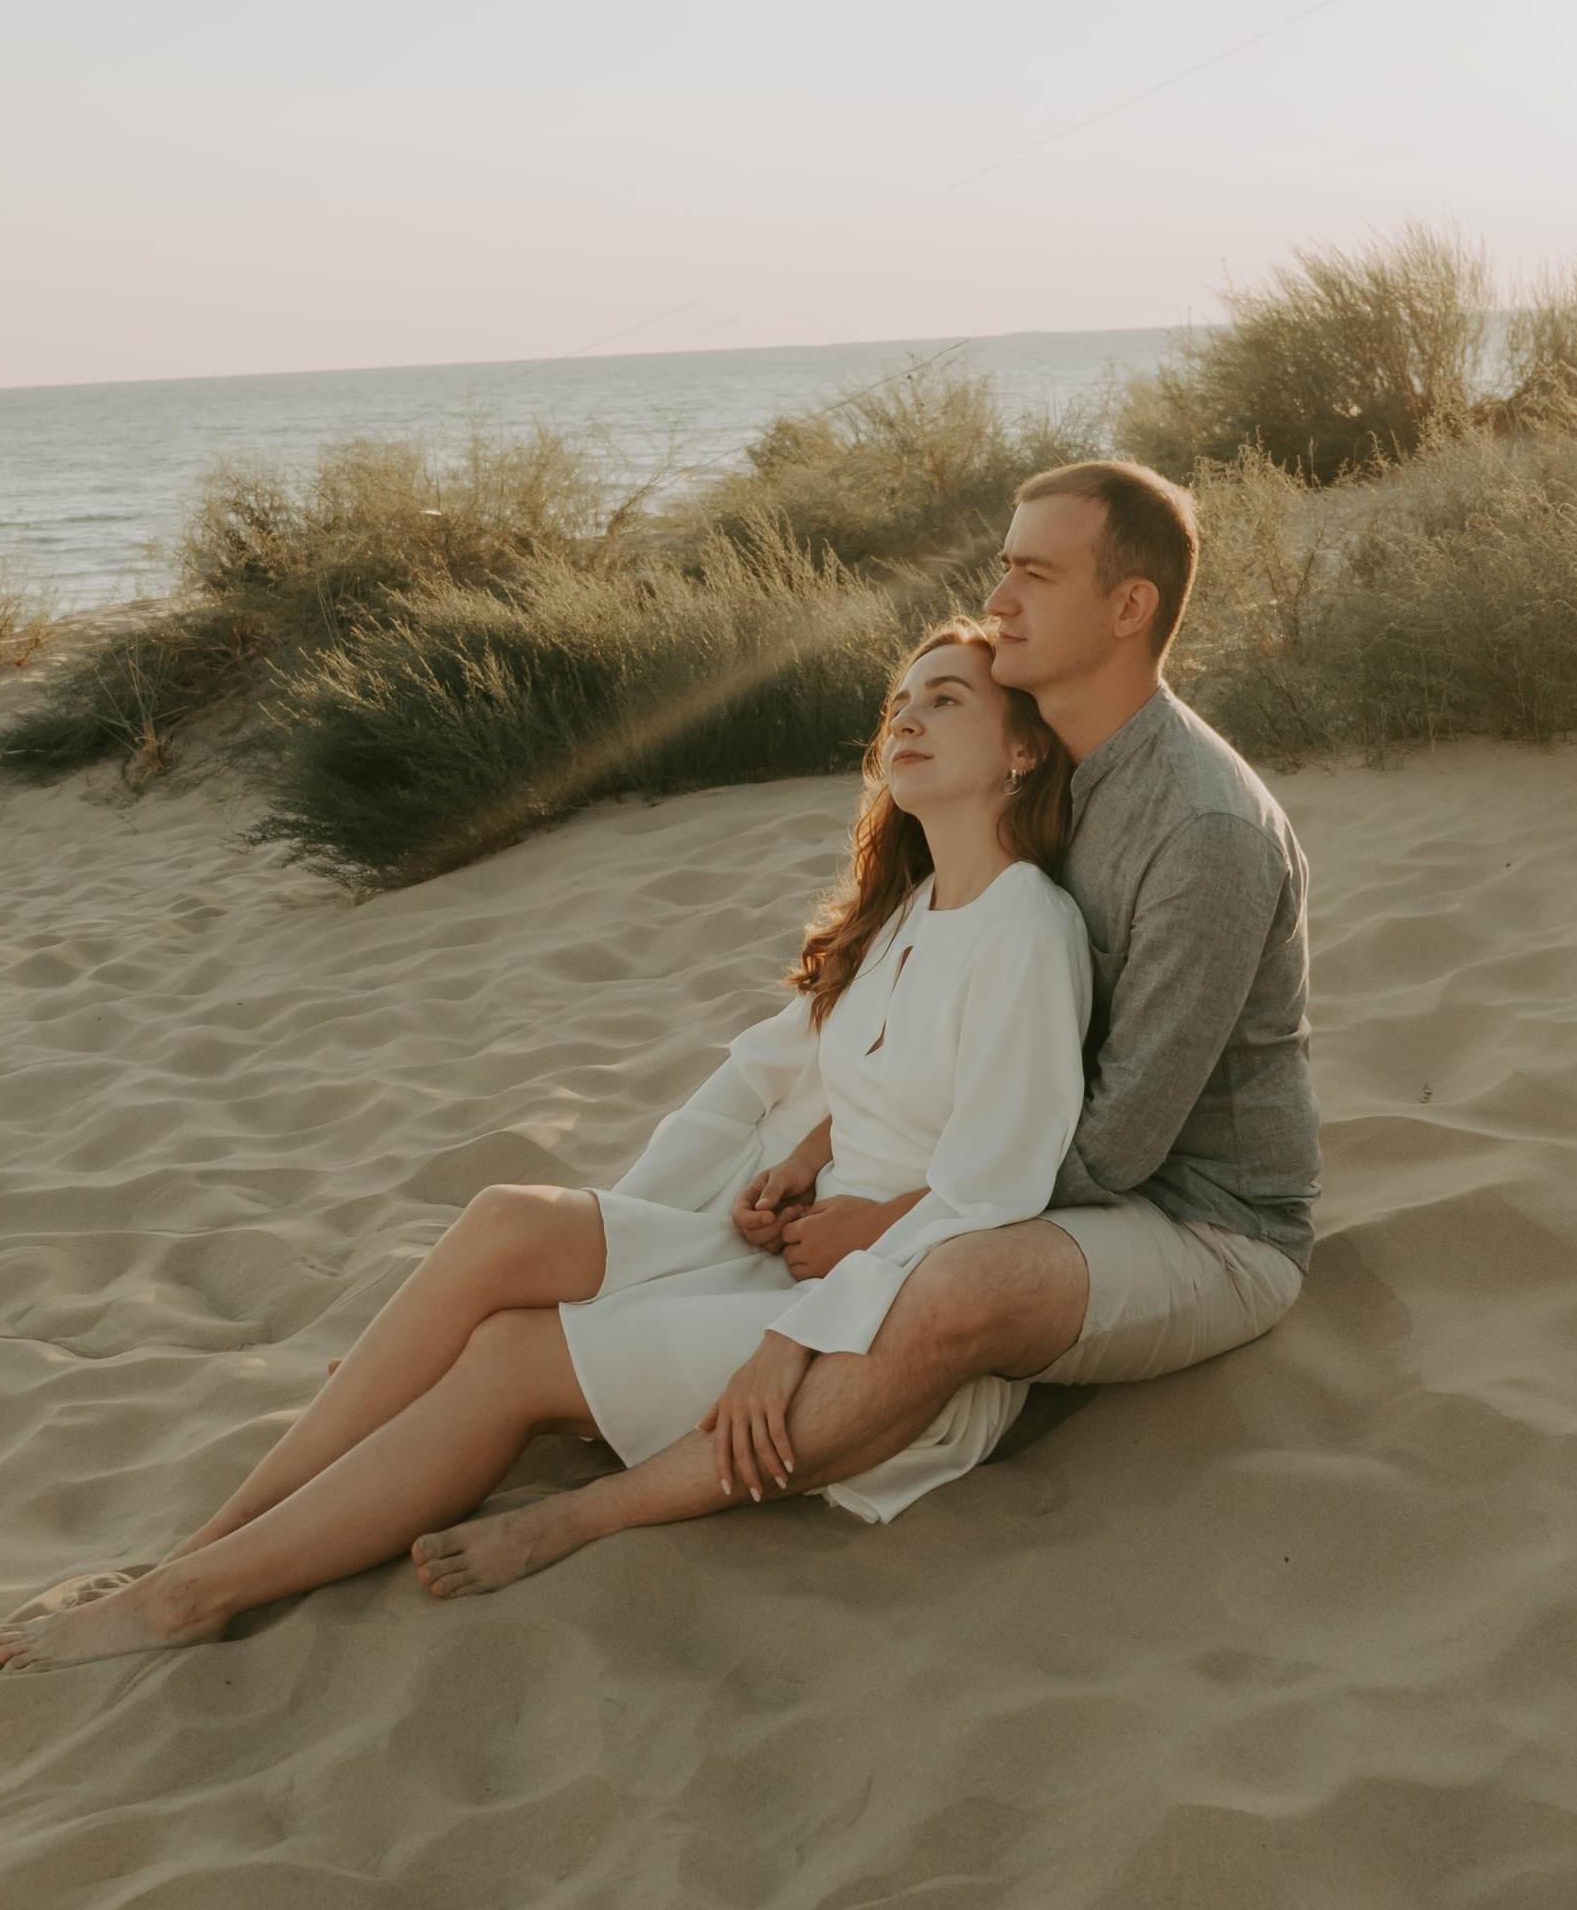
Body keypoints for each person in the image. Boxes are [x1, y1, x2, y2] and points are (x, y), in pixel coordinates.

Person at [0, 621, 1091, 1668]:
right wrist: (803, 1158)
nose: (906, 718)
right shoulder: (912, 910)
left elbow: (998, 1186)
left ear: (1024, 752)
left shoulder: (1028, 928)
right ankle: (207, 1540)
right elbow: (887, 1077)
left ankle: (192, 1596)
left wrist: (810, 1308)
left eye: (945, 700)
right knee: (507, 1218)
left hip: (870, 1325)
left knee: (508, 1355)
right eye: (900, 699)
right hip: (798, 1248)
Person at [424, 451, 1317, 1555]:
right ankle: (599, 1346)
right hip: (1029, 1163)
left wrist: (881, 1229)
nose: (997, 601)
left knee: (951, 1284)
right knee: (783, 1098)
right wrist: (820, 1149)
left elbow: (1122, 1144)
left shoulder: (1199, 833)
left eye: (1033, 575)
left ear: (1128, 607)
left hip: (1197, 1221)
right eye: (1003, 569)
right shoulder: (1057, 774)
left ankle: (592, 1511)